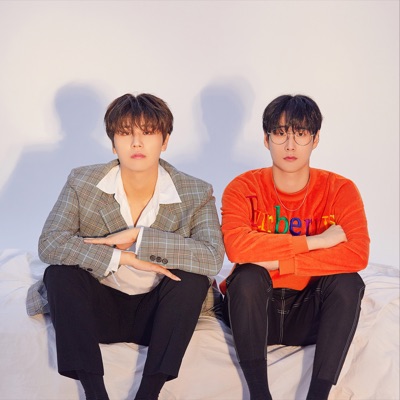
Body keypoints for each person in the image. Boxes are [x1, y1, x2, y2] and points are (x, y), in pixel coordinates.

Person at [26, 93, 225, 400]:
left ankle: (149, 393)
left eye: (148, 133)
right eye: (125, 133)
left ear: (165, 140)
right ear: (113, 142)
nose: (136, 143)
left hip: (158, 315)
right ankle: (95, 393)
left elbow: (212, 257)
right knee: (59, 274)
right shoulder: (83, 181)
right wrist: (123, 258)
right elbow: (50, 243)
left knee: (193, 280)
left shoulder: (195, 191)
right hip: (98, 307)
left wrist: (140, 238)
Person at [219, 94, 369, 400]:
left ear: (315, 140)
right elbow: (237, 249)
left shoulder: (340, 189)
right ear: (266, 139)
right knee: (247, 276)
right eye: (280, 133)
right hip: (255, 312)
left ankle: (318, 396)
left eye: (300, 134)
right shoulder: (243, 187)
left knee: (348, 282)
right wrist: (317, 242)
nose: (290, 145)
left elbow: (357, 253)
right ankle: (259, 394)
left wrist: (280, 262)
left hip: (309, 313)